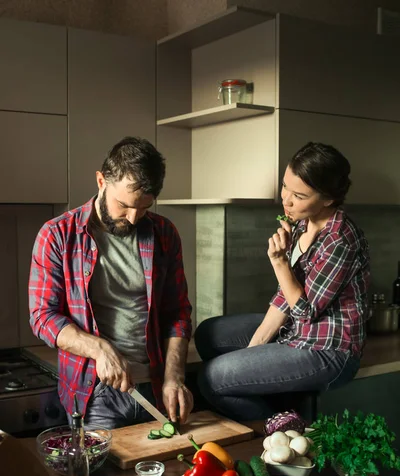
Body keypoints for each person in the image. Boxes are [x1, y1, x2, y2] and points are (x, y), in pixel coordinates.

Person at [194, 141, 370, 422]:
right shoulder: (301, 223)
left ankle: (283, 426)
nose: (286, 199)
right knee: (207, 334)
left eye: (299, 195)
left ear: (327, 199)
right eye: (285, 186)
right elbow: (284, 299)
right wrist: (251, 355)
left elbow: (306, 311)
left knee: (212, 378)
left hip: (328, 349)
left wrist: (279, 262)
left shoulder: (340, 238)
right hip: (295, 331)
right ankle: (278, 397)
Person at [29, 136, 193, 429]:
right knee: (102, 475)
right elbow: (42, 317)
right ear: (101, 180)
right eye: (124, 205)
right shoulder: (57, 235)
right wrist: (99, 349)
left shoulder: (164, 234)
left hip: (157, 390)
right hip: (96, 392)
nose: (132, 218)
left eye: (143, 208)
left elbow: (178, 313)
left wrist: (174, 377)